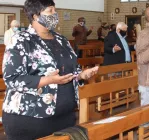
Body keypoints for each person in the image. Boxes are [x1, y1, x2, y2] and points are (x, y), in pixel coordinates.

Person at [2, 0, 99, 139]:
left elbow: (71, 69)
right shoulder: (20, 40)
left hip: (64, 117)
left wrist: (81, 75)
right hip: (30, 118)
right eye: (50, 11)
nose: (55, 14)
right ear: (35, 15)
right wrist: (47, 80)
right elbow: (12, 78)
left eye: (55, 10)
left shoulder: (61, 40)